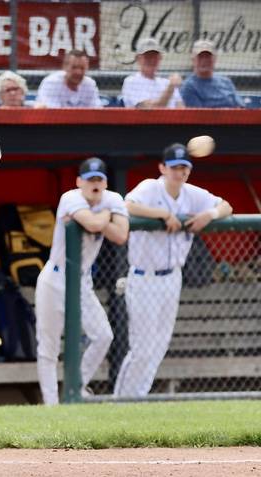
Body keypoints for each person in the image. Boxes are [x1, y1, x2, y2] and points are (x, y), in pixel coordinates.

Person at [114, 144, 232, 398]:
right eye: (175, 167)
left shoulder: (191, 193)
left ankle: (138, 398)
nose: (180, 173)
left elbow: (226, 206)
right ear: (163, 168)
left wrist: (209, 214)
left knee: (159, 346)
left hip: (172, 277)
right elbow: (128, 205)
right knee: (142, 348)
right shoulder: (150, 187)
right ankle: (121, 401)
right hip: (144, 276)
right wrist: (163, 213)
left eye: (184, 167)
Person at [35, 158, 129, 405]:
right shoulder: (71, 197)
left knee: (103, 336)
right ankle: (51, 405)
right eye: (90, 180)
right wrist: (107, 214)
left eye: (99, 180)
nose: (94, 185)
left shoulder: (113, 198)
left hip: (81, 281)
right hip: (54, 278)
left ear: (105, 182)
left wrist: (104, 214)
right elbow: (94, 223)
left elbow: (120, 235)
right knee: (49, 346)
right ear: (80, 182)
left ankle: (75, 387)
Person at [121, 38, 183, 109]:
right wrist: (170, 88)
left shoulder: (166, 82)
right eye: (148, 56)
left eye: (155, 56)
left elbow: (182, 109)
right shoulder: (131, 82)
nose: (152, 60)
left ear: (160, 58)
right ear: (138, 58)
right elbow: (152, 109)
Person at [180, 40, 244, 108]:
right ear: (193, 60)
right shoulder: (189, 86)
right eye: (200, 57)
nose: (204, 61)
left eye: (208, 57)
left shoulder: (226, 81)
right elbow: (198, 115)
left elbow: (240, 106)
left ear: (215, 59)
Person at [35, 50, 102, 108]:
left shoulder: (89, 84)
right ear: (65, 66)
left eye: (82, 68)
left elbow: (97, 111)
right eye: (74, 67)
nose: (78, 72)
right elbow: (53, 115)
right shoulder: (52, 83)